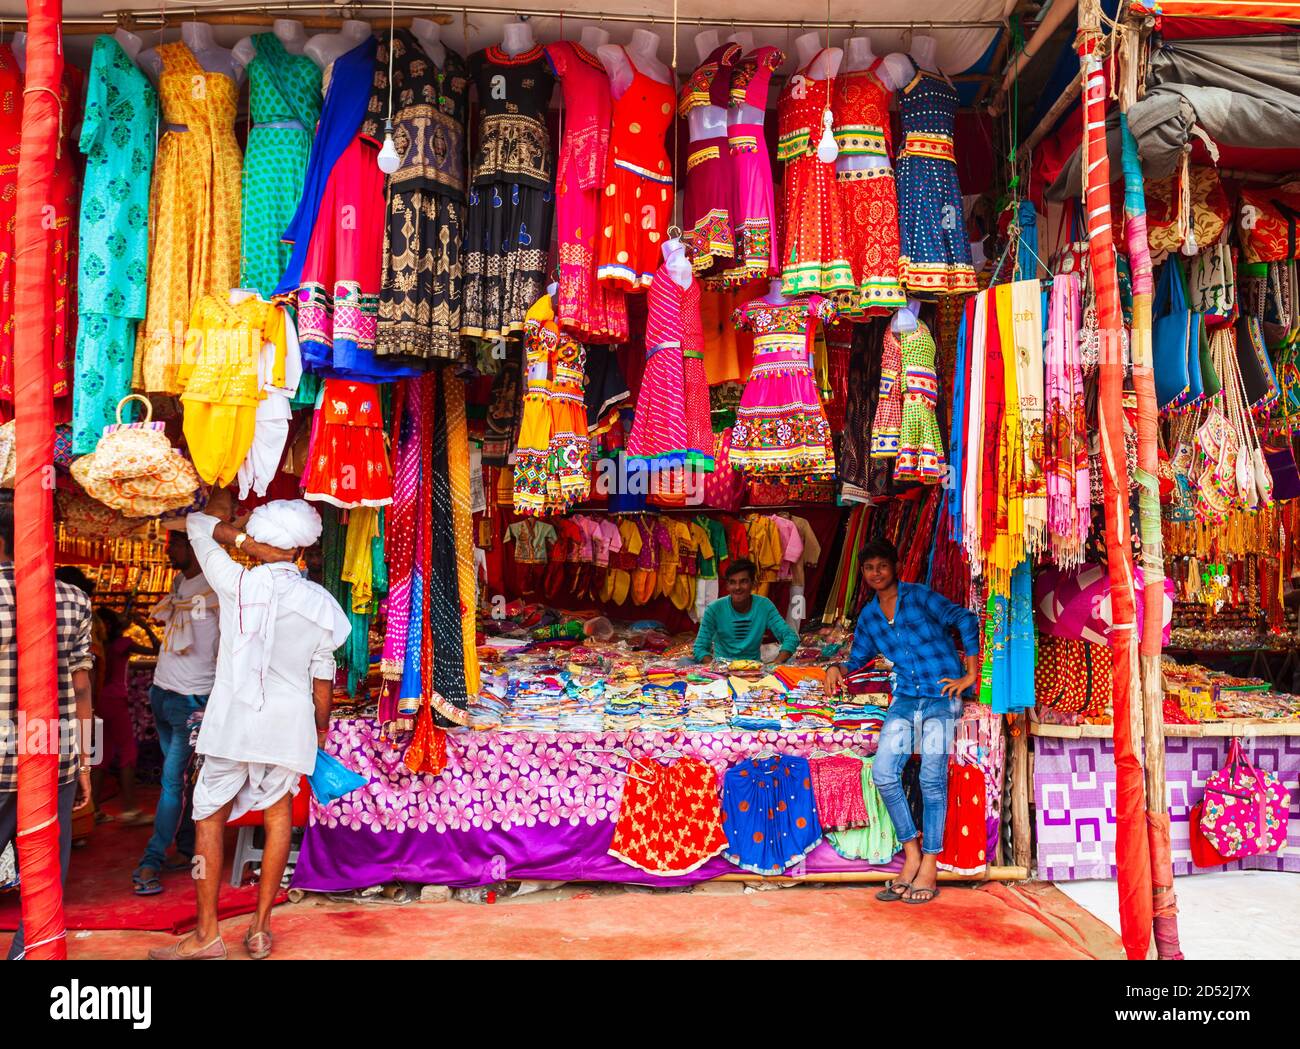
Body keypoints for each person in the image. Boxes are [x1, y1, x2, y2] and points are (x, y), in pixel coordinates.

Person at [149, 490, 349, 961]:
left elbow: (197, 524)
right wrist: (319, 732)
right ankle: (260, 929)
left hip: (234, 721)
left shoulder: (236, 581)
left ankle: (207, 934)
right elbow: (323, 679)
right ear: (301, 550)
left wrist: (243, 541)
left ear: (260, 541)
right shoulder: (319, 603)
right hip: (288, 723)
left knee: (208, 819)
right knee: (278, 816)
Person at [824, 539, 980, 905]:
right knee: (883, 772)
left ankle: (930, 860)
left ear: (895, 567)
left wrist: (969, 675)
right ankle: (911, 851)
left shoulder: (921, 596)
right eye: (869, 568)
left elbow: (965, 619)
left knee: (931, 776)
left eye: (881, 565)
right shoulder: (870, 616)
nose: (876, 573)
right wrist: (836, 667)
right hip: (907, 697)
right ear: (863, 574)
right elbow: (860, 657)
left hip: (942, 696)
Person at [0, 493, 95, 959]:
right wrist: (86, 763)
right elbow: (82, 689)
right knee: (46, 870)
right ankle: (27, 951)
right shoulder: (74, 598)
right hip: (52, 751)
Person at [131, 527, 221, 896]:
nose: (169, 551)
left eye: (176, 545)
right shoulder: (178, 584)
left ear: (195, 548)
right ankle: (185, 848)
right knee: (180, 782)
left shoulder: (217, 593)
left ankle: (151, 860)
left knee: (172, 782)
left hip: (191, 700)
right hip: (163, 692)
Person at [91, 606, 155, 827]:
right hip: (116, 701)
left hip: (99, 701)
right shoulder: (123, 644)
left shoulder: (100, 645)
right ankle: (130, 809)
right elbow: (157, 649)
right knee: (128, 751)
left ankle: (93, 809)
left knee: (102, 755)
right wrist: (145, 625)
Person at [692, 558, 800, 665]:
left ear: (753, 584)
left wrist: (777, 662)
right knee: (684, 662)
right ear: (727, 586)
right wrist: (716, 668)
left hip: (753, 670)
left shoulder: (764, 606)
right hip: (722, 671)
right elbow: (699, 648)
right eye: (733, 582)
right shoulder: (714, 609)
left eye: (743, 582)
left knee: (792, 662)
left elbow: (790, 637)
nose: (737, 587)